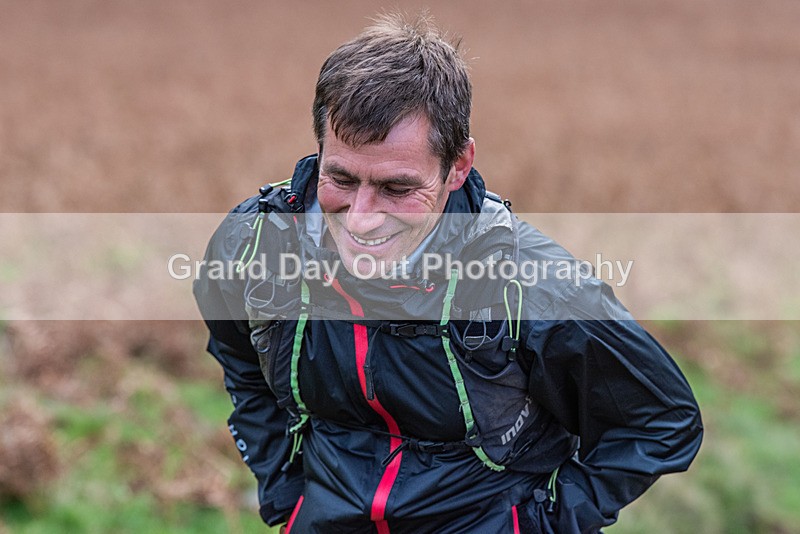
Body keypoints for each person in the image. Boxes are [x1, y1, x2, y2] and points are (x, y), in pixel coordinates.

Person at [194, 13, 703, 533]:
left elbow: (662, 420)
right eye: (341, 179)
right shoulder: (253, 246)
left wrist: (538, 525)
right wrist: (286, 495)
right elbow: (241, 361)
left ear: (458, 166)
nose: (361, 218)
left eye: (396, 189)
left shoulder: (533, 286)